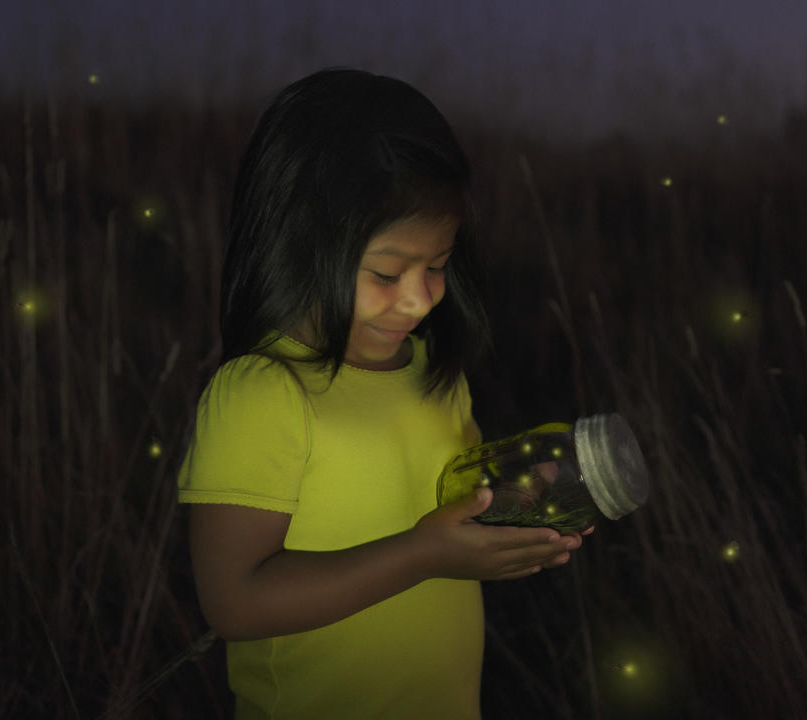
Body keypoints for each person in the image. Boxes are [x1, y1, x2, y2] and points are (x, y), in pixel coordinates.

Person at [176, 67, 594, 720]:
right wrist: (424, 556)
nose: (420, 296)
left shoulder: (434, 373)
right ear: (301, 244)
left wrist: (526, 507)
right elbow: (235, 602)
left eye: (437, 265)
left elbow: (457, 506)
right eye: (387, 271)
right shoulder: (261, 396)